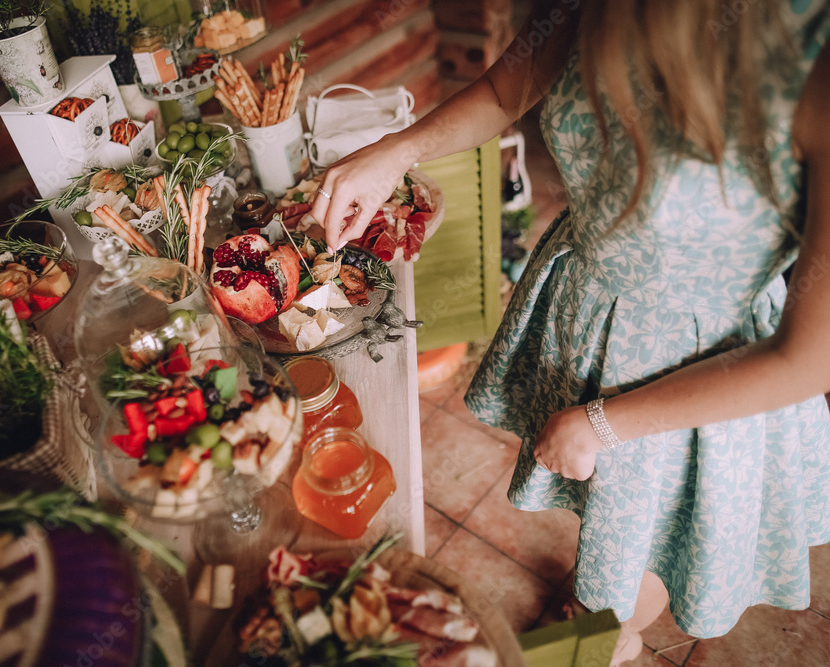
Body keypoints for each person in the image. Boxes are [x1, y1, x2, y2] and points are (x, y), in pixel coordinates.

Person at [310, 0, 830, 664]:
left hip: (697, 381)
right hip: (582, 312)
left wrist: (603, 423)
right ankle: (597, 612)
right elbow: (508, 87)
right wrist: (397, 151)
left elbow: (809, 358)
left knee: (641, 544)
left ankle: (603, 634)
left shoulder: (814, 62)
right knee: (607, 515)